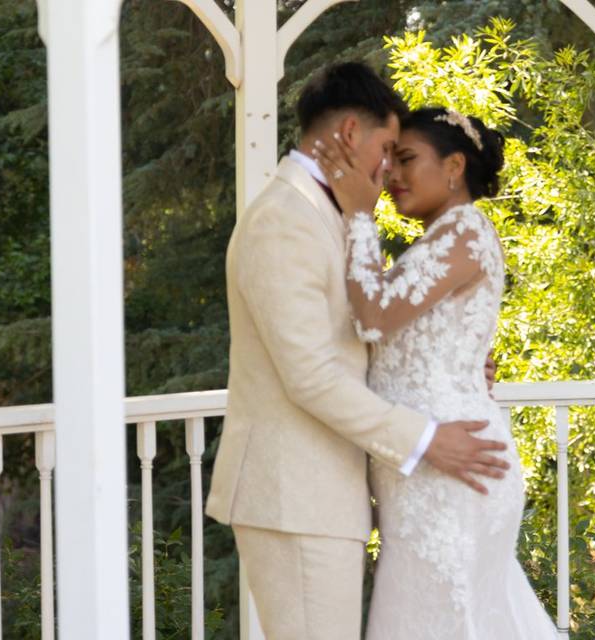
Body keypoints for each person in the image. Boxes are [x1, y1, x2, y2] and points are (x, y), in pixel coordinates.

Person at [204, 63, 510, 640]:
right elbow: (311, 376)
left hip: (331, 496)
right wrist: (424, 438)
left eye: (401, 155)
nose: (388, 168)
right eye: (388, 148)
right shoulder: (283, 219)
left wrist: (452, 365)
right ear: (351, 133)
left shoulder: (328, 212)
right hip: (295, 495)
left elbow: (352, 336)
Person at [312, 106, 558, 639]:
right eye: (389, 160)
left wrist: (358, 213)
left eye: (406, 159)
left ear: (453, 167)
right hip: (426, 469)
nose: (392, 175)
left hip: (452, 468)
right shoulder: (439, 240)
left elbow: (374, 316)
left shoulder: (464, 231)